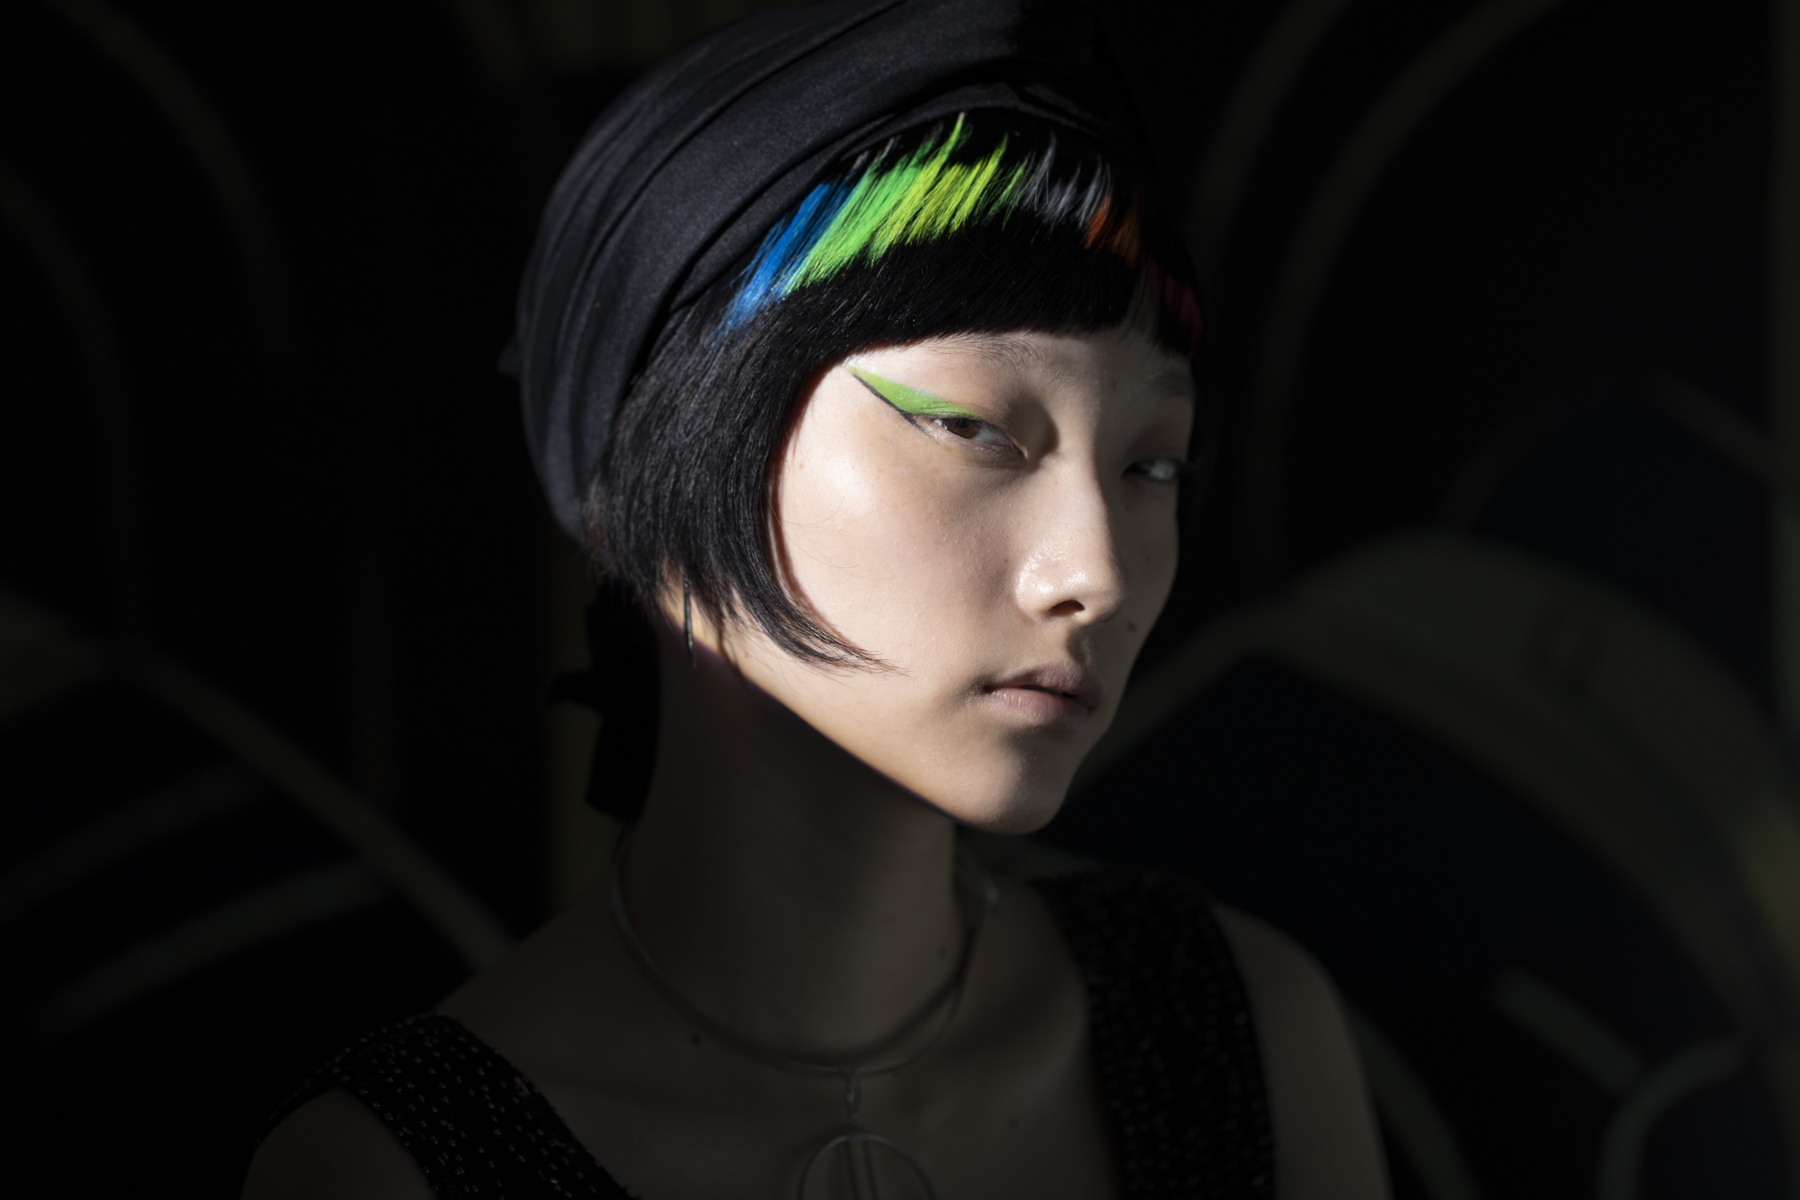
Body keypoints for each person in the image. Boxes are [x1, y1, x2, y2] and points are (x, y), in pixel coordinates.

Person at [245, 1, 1386, 1196]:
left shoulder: (1235, 1038)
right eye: (974, 429)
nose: (1094, 574)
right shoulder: (393, 1172)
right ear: (670, 437)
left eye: (1151, 465)